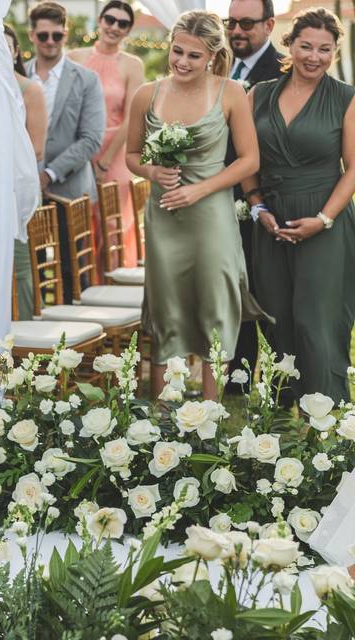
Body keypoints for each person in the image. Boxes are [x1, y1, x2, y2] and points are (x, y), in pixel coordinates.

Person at [125, 10, 265, 401]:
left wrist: (200, 190)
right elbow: (132, 156)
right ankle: (160, 413)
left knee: (214, 301)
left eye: (193, 56)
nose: (182, 62)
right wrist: (152, 173)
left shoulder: (231, 92)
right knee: (165, 301)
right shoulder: (146, 94)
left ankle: (210, 414)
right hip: (164, 215)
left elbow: (249, 160)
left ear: (211, 56)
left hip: (211, 215)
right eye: (177, 52)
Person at [242, 8, 355, 403]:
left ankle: (327, 423)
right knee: (278, 322)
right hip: (270, 221)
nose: (314, 56)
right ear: (289, 44)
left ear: (334, 52)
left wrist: (323, 220)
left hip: (324, 221)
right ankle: (281, 425)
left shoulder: (345, 97)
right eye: (306, 45)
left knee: (317, 323)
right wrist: (258, 207)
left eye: (325, 49)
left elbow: (353, 169)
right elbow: (246, 161)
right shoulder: (258, 94)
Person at [224, 0, 284, 396]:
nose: (237, 31)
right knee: (230, 289)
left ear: (269, 24)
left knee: (268, 294)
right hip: (216, 199)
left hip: (267, 200)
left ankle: (282, 384)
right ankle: (235, 379)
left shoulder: (284, 71)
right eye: (231, 22)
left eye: (247, 23)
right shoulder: (216, 65)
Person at [26, 1, 105, 302]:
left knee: (73, 274)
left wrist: (48, 173)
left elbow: (91, 139)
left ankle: (75, 343)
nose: (49, 42)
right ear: (32, 35)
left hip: (68, 191)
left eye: (56, 36)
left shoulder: (86, 79)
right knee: (30, 272)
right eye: (43, 35)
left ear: (65, 34)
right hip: (23, 190)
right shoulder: (18, 77)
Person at [68, 0, 145, 269]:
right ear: (100, 21)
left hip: (114, 153)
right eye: (110, 20)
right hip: (79, 152)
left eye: (123, 23)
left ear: (128, 31)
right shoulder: (74, 57)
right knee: (81, 223)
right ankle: (86, 286)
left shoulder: (132, 64)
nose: (114, 27)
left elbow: (131, 117)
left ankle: (115, 280)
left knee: (113, 223)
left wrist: (105, 160)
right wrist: (80, 156)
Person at [5, 24, 48, 320]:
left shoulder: (30, 89)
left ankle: (24, 331)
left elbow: (36, 149)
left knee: (20, 265)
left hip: (17, 190)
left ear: (16, 51)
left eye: (5, 47)